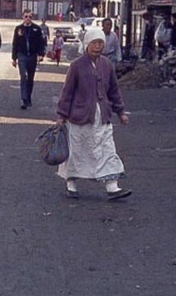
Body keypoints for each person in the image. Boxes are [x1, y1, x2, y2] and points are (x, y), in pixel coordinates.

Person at [55, 28, 131, 201]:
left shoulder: (106, 64)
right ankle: (71, 183)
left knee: (107, 148)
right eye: (94, 43)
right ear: (87, 44)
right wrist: (61, 115)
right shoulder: (76, 66)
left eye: (100, 43)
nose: (97, 47)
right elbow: (67, 92)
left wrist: (120, 111)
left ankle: (112, 186)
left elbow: (114, 90)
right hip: (80, 117)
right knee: (77, 151)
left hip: (102, 115)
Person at [11, 8, 46, 109]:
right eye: (26, 16)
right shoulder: (18, 29)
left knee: (30, 78)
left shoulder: (36, 29)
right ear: (23, 17)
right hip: (22, 55)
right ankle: (23, 99)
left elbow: (41, 43)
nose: (28, 19)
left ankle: (28, 96)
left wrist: (41, 54)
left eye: (30, 17)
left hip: (32, 55)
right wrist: (14, 58)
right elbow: (15, 44)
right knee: (23, 76)